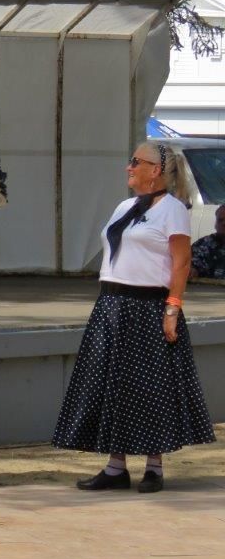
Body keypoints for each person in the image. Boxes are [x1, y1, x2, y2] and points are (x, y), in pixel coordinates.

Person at [52, 142, 216, 493]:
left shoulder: (172, 209)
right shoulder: (124, 206)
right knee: (113, 384)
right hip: (113, 303)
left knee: (149, 386)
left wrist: (172, 308)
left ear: (156, 170)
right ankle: (115, 466)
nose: (129, 167)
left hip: (148, 306)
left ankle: (154, 466)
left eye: (136, 162)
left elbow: (182, 262)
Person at [190, 204, 225, 279]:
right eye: (220, 220)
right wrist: (192, 270)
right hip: (207, 289)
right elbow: (190, 266)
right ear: (215, 224)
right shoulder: (202, 245)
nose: (224, 223)